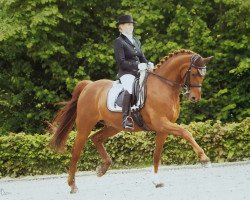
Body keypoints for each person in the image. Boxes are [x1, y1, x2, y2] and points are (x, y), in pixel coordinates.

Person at [113, 14, 154, 129]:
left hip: (139, 71)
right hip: (126, 73)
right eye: (128, 25)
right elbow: (121, 62)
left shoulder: (136, 41)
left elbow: (142, 57)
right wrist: (137, 65)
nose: (131, 27)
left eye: (131, 25)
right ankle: (125, 118)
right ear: (120, 27)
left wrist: (149, 63)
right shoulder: (119, 42)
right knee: (130, 87)